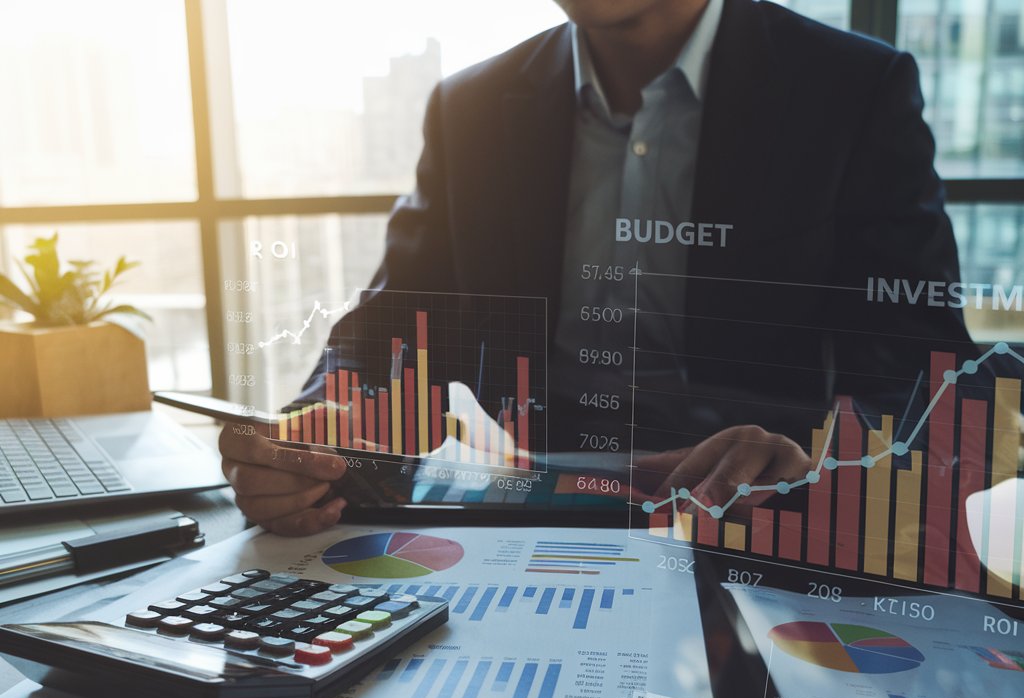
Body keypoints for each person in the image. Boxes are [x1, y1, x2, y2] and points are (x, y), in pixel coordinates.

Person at [221, 0, 972, 535]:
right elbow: (385, 330)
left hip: (746, 528)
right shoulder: (472, 106)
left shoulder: (850, 89)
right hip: (516, 514)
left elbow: (920, 369)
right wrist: (308, 441)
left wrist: (814, 467)